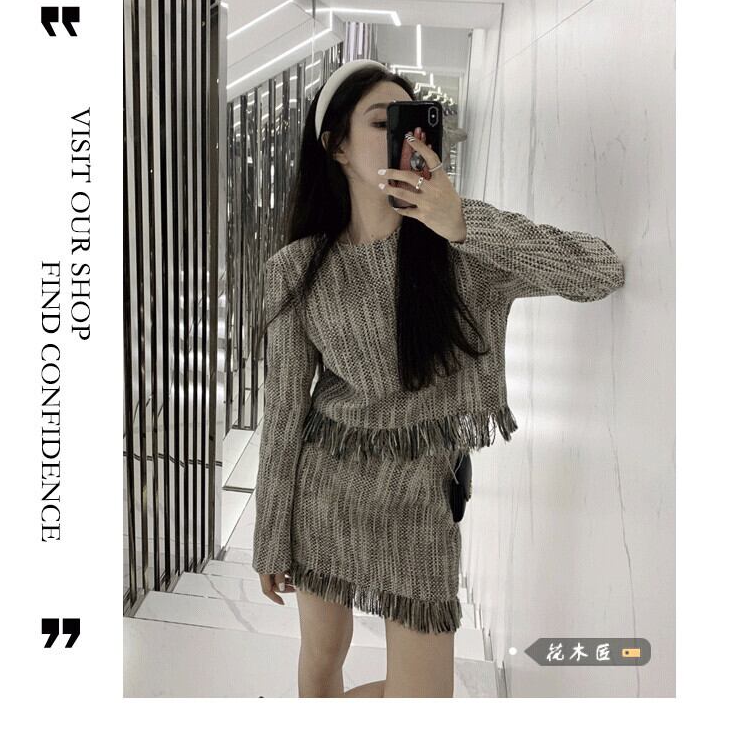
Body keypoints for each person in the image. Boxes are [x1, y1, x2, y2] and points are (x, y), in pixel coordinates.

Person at [251, 58, 625, 698]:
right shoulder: (297, 268)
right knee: (321, 662)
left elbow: (599, 271)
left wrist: (464, 224)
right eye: (383, 122)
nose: (409, 137)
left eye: (415, 122)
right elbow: (285, 411)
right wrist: (269, 534)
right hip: (324, 492)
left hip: (420, 501)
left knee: (423, 700)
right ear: (337, 147)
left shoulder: (462, 250)